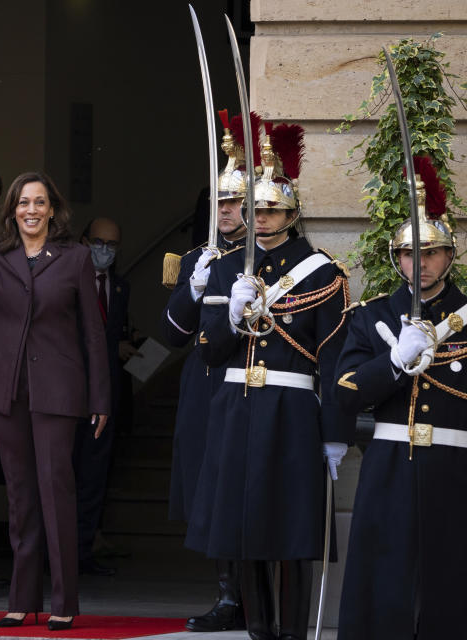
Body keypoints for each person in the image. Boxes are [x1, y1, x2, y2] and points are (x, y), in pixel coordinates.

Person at [185, 122, 352, 640]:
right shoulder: (227, 267)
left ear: (291, 213)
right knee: (243, 533)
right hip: (236, 407)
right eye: (254, 211)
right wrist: (231, 316)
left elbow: (334, 362)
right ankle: (259, 630)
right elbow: (210, 351)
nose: (260, 220)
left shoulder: (320, 272)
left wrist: (335, 432)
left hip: (291, 411)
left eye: (272, 211)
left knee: (292, 534)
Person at [0, 168, 110, 631]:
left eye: (38, 202)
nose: (30, 210)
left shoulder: (75, 258)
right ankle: (22, 598)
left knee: (57, 492)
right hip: (6, 385)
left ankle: (64, 601)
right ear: (11, 212)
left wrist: (101, 396)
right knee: (19, 496)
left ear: (52, 209)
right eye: (22, 203)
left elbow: (93, 335)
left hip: (58, 389)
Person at [335, 157, 467, 640]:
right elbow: (346, 392)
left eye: (431, 252)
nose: (421, 263)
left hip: (456, 466)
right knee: (383, 575)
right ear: (398, 259)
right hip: (390, 464)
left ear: (449, 256)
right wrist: (394, 363)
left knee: (452, 578)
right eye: (411, 254)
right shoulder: (373, 317)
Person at [164, 110, 253, 633]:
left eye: (234, 201)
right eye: (218, 201)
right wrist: (193, 290)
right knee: (210, 490)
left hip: (243, 382)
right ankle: (226, 595)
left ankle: (251, 596)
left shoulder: (262, 255)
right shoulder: (195, 257)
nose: (224, 209)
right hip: (204, 385)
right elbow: (171, 333)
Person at [72, 217, 134, 577]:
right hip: (69, 395)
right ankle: (56, 554)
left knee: (94, 477)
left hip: (104, 397)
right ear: (84, 240)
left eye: (112, 245)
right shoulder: (67, 280)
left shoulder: (121, 288)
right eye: (98, 242)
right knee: (63, 474)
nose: (105, 251)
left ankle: (82, 551)